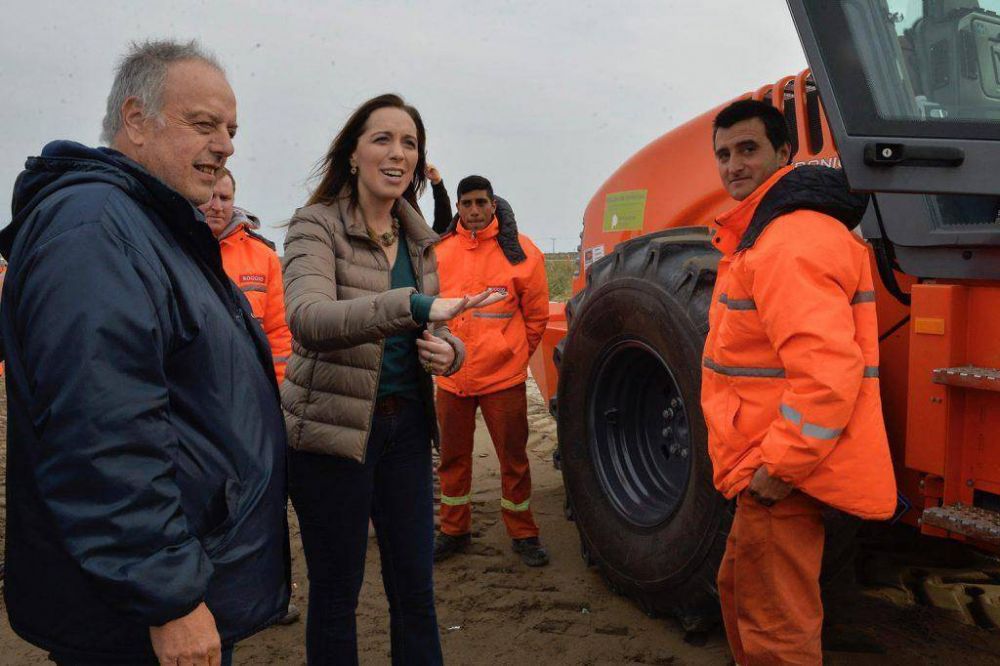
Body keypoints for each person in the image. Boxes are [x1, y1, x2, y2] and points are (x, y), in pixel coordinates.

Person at [0, 40, 289, 666]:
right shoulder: (97, 231)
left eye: (232, 130)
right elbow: (101, 432)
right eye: (204, 124)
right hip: (137, 618)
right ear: (135, 120)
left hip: (177, 571)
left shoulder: (150, 225)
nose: (226, 146)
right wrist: (168, 598)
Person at [281, 93, 501, 665]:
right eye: (382, 139)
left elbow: (429, 329)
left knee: (416, 589)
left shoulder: (419, 237)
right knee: (335, 595)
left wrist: (446, 353)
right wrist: (416, 305)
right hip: (332, 435)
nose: (397, 153)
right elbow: (308, 320)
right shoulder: (315, 226)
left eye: (410, 142)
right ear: (352, 154)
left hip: (406, 431)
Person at [703, 98, 897, 664]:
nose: (733, 165)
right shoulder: (774, 233)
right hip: (763, 463)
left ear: (785, 152)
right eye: (723, 154)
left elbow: (826, 373)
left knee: (776, 632)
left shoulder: (787, 242)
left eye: (748, 149)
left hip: (778, 470)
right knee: (742, 593)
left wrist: (779, 468)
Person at [431, 175, 550, 567]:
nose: (475, 210)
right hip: (452, 377)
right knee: (452, 459)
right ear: (459, 208)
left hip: (503, 379)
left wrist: (512, 356)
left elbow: (535, 318)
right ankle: (454, 530)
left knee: (514, 459)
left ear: (493, 204)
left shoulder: (522, 253)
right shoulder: (440, 251)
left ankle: (523, 532)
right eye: (467, 204)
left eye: (482, 202)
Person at [199, 167, 293, 384]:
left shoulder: (264, 256)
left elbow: (279, 331)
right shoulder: (175, 247)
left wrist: (281, 391)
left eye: (225, 198)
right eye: (211, 197)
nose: (217, 206)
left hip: (250, 385)